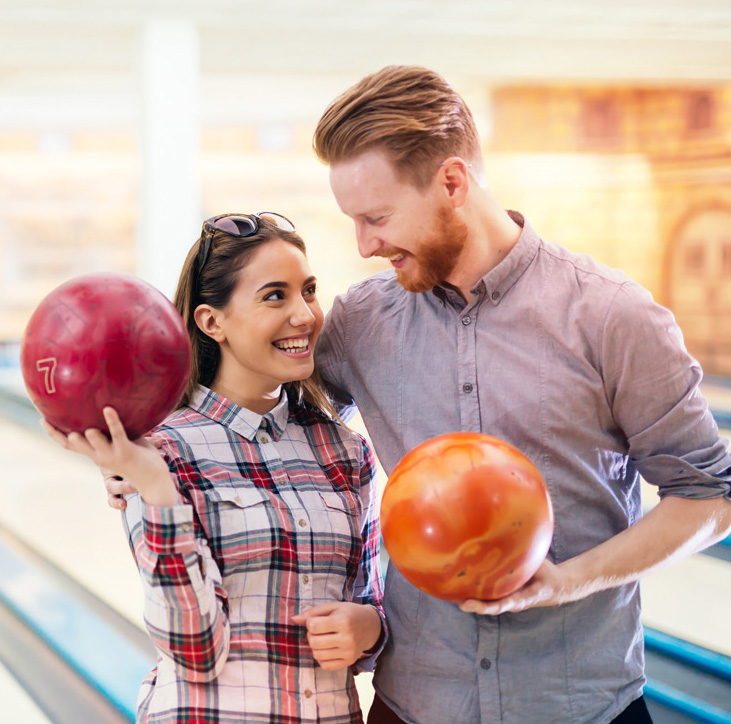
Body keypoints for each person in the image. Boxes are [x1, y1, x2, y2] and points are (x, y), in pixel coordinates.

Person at [306, 65, 731, 724]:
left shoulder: (611, 317)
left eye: (377, 217)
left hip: (579, 706)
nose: (364, 245)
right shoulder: (360, 325)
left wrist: (569, 580)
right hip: (414, 703)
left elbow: (708, 499)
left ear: (451, 181)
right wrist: (143, 461)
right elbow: (265, 417)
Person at [43, 212, 386, 724]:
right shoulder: (161, 451)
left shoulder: (344, 450)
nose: (305, 315)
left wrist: (369, 629)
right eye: (275, 296)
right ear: (212, 322)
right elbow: (193, 647)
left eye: (308, 290)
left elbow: (373, 602)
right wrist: (155, 487)